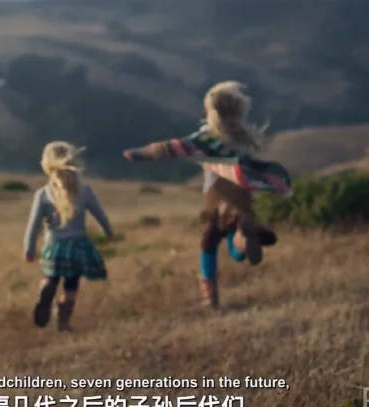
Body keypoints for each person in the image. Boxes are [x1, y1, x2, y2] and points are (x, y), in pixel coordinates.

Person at [122, 81, 292, 309]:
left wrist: (137, 154)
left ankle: (210, 299)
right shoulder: (242, 137)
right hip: (242, 200)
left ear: (210, 112)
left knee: (208, 244)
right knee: (234, 245)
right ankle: (243, 239)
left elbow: (169, 148)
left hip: (219, 199)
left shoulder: (205, 138)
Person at [23, 141, 115, 331]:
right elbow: (100, 214)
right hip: (77, 247)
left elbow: (33, 224)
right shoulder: (85, 191)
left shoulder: (43, 194)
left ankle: (46, 288)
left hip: (53, 247)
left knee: (51, 277)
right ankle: (63, 322)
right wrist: (109, 232)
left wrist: (29, 249)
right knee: (71, 286)